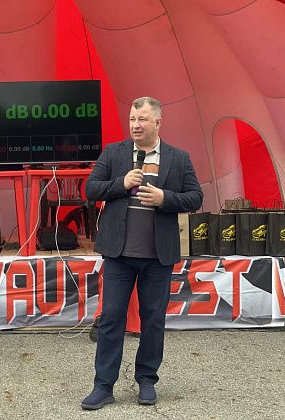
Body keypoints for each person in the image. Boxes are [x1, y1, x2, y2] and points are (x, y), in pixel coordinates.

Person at [81, 96, 203, 409]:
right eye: (132, 119)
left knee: (153, 321)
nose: (136, 125)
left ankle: (146, 380)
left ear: (158, 123)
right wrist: (121, 183)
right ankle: (103, 386)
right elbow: (91, 189)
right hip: (119, 255)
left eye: (143, 120)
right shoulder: (114, 153)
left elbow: (195, 198)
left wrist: (165, 198)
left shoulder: (178, 158)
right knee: (111, 319)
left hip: (157, 257)